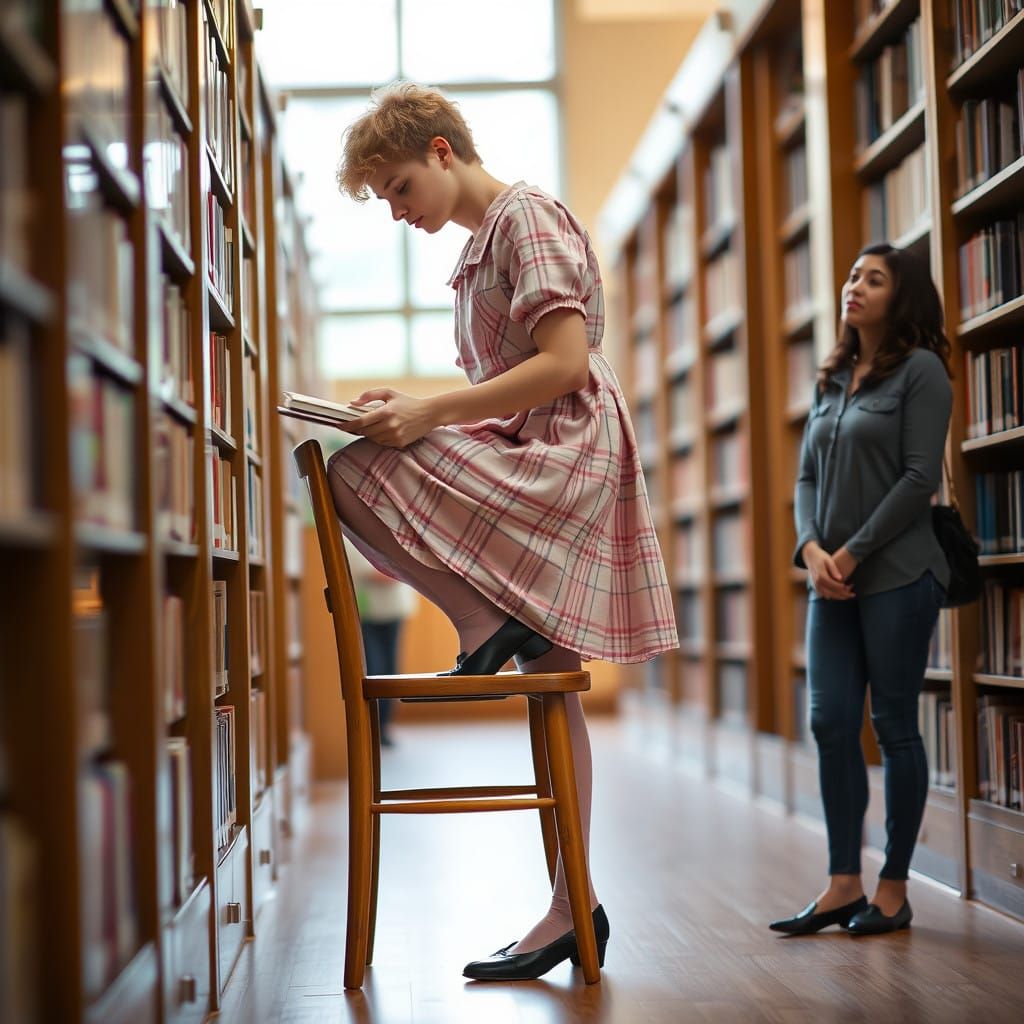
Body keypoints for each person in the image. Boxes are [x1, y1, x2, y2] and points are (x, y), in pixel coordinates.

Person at [328, 81, 678, 979]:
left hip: (565, 453)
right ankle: (573, 910)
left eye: (399, 187)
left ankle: (483, 623)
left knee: (355, 472)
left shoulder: (524, 217)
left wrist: (430, 413)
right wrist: (419, 414)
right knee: (552, 680)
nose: (397, 212)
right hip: (537, 447)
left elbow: (563, 367)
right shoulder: (480, 247)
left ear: (442, 151)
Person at [770, 243, 953, 937]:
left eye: (873, 279)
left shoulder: (923, 371)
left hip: (899, 574)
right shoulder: (834, 375)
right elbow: (805, 478)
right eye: (851, 274)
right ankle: (842, 881)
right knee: (829, 721)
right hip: (831, 579)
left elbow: (917, 478)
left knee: (895, 725)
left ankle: (893, 887)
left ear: (899, 297)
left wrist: (848, 552)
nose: (855, 286)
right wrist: (812, 548)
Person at [343, 536, 416, 746]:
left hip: (394, 610)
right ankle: (372, 727)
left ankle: (383, 727)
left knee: (391, 669)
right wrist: (400, 572)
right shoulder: (349, 536)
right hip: (367, 613)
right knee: (373, 668)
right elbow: (365, 571)